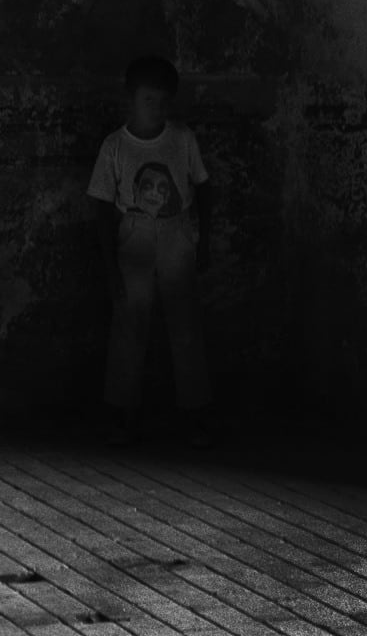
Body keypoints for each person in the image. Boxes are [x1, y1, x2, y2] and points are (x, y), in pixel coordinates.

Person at [87, 54, 213, 447]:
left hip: (177, 234)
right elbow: (102, 206)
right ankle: (120, 412)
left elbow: (204, 187)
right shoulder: (115, 146)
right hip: (134, 236)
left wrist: (202, 239)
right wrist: (110, 267)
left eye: (162, 101)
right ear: (131, 99)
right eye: (148, 100)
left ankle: (194, 412)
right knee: (129, 324)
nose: (156, 109)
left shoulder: (182, 139)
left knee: (186, 325)